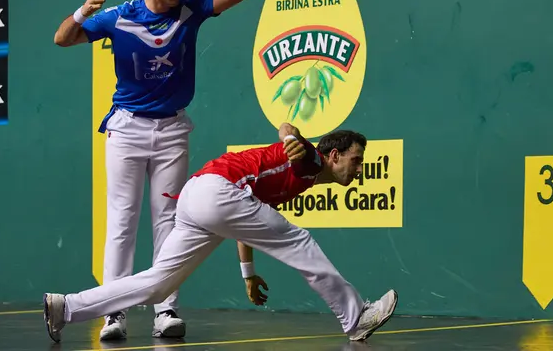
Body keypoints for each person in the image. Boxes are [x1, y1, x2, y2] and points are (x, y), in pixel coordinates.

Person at [52, 0, 254, 341]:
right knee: (122, 222)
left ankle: (166, 311)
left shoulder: (191, 10)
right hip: (126, 131)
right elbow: (62, 39)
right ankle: (114, 315)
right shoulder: (118, 17)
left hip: (173, 130)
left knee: (169, 221)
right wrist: (80, 12)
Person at [43, 123, 399, 344]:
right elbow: (288, 130)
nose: (359, 168)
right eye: (356, 159)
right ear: (334, 155)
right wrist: (291, 136)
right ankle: (356, 317)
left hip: (199, 197)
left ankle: (66, 307)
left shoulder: (301, 182)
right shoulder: (311, 160)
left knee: (158, 285)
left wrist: (248, 274)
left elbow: (247, 221)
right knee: (299, 241)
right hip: (218, 191)